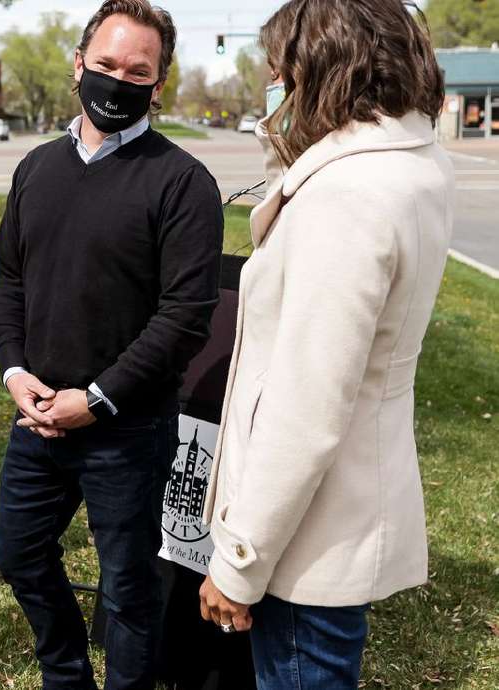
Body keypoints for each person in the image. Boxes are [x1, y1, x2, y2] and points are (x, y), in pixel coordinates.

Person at [198, 2, 453, 688]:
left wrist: (239, 563)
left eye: (279, 72)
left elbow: (306, 407)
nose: (270, 88)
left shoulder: (346, 194)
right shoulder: (412, 163)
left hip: (304, 539)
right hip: (342, 508)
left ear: (322, 71)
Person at [0, 0, 224, 687]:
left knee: (129, 589)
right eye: (106, 65)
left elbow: (185, 317)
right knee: (20, 556)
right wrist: (13, 373)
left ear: (160, 82)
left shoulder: (183, 183)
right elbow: (8, 283)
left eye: (137, 70)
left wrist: (95, 398)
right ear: (78, 65)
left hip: (129, 425)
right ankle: (66, 676)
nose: (118, 80)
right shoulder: (35, 168)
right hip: (37, 420)